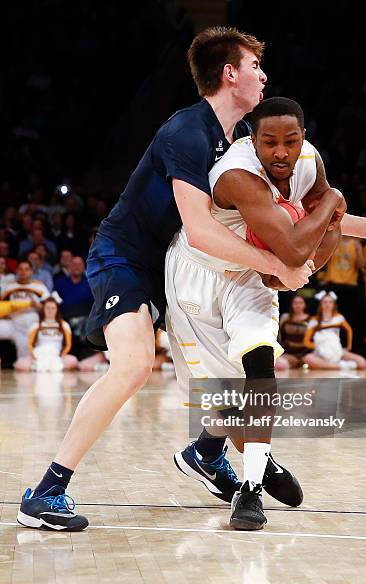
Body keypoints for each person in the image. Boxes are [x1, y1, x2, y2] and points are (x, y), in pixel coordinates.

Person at [17, 27, 314, 532]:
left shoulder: (242, 141)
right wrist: (276, 266)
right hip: (127, 258)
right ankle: (45, 491)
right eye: (255, 67)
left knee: (225, 381)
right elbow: (199, 230)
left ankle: (207, 450)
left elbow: (293, 208)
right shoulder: (187, 132)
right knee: (133, 365)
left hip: (179, 273)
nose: (264, 76)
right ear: (230, 74)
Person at [168, 97, 366, 528]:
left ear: (303, 137)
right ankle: (220, 454)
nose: (281, 152)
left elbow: (322, 229)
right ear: (254, 142)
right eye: (269, 142)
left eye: (291, 141)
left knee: (260, 371)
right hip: (200, 275)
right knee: (222, 398)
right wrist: (332, 203)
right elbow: (297, 243)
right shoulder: (237, 174)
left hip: (251, 275)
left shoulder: (309, 162)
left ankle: (250, 489)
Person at [303, 291, 366, 370]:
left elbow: (349, 330)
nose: (327, 304)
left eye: (330, 302)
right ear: (320, 304)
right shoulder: (314, 320)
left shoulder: (339, 317)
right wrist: (320, 347)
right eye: (325, 302)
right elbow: (306, 342)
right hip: (320, 352)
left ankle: (329, 366)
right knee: (308, 358)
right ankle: (339, 366)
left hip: (337, 350)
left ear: (334, 304)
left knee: (362, 363)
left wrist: (349, 346)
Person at [0, 260, 50, 360]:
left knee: (24, 359)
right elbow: (2, 306)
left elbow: (50, 309)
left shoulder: (39, 286)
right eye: (21, 269)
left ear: (31, 271)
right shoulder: (10, 286)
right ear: (17, 271)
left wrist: (38, 306)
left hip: (30, 326)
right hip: (12, 324)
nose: (23, 272)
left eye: (26, 269)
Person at [14, 297, 78, 372]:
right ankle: (39, 365)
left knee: (73, 360)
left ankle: (49, 366)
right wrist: (34, 356)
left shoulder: (64, 325)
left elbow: (68, 345)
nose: (50, 310)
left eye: (53, 308)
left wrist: (61, 355)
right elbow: (30, 344)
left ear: (57, 310)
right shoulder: (36, 325)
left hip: (56, 355)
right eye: (47, 308)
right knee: (20, 364)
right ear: (43, 309)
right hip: (39, 354)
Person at [276, 295, 311, 370]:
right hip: (288, 353)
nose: (298, 305)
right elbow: (280, 336)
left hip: (305, 354)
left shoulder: (310, 320)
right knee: (279, 364)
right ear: (292, 304)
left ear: (304, 304)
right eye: (295, 303)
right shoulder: (285, 318)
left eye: (300, 303)